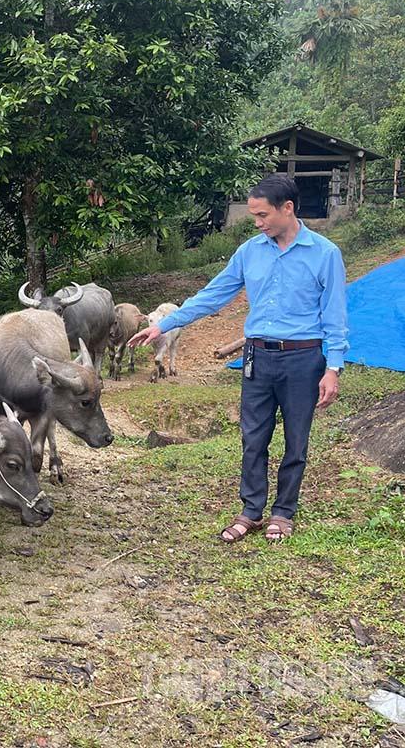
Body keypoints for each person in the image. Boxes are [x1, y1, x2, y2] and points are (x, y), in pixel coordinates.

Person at [128, 174, 348, 544]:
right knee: (253, 437)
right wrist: (163, 325)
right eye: (254, 216)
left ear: (287, 208)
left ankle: (283, 512)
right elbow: (212, 295)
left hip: (302, 359)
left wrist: (333, 367)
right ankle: (251, 510)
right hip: (257, 358)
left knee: (296, 439)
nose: (258, 223)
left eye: (263, 215)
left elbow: (335, 315)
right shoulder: (249, 252)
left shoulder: (325, 254)